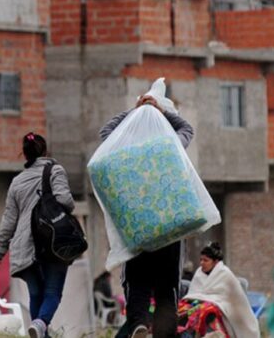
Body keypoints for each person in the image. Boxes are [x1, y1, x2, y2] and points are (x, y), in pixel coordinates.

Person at [100, 88, 194, 338]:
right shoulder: (170, 146)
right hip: (169, 231)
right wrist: (159, 112)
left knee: (137, 285)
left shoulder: (125, 148)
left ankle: (139, 325)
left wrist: (136, 111)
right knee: (167, 292)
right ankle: (163, 333)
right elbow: (187, 129)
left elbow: (105, 133)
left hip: (137, 232)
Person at [0, 132, 76, 338]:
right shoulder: (55, 170)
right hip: (53, 242)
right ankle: (40, 323)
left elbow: (9, 221)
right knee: (52, 293)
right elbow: (65, 200)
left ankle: (38, 328)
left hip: (24, 246)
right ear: (45, 152)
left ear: (24, 155)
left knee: (36, 293)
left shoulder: (17, 181)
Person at [179, 243, 260, 337]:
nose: (202, 263)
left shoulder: (225, 274)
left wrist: (211, 303)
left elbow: (230, 300)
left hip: (222, 310)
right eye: (201, 260)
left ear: (215, 262)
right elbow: (194, 293)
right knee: (182, 309)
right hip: (198, 305)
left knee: (207, 310)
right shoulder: (199, 273)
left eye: (205, 260)